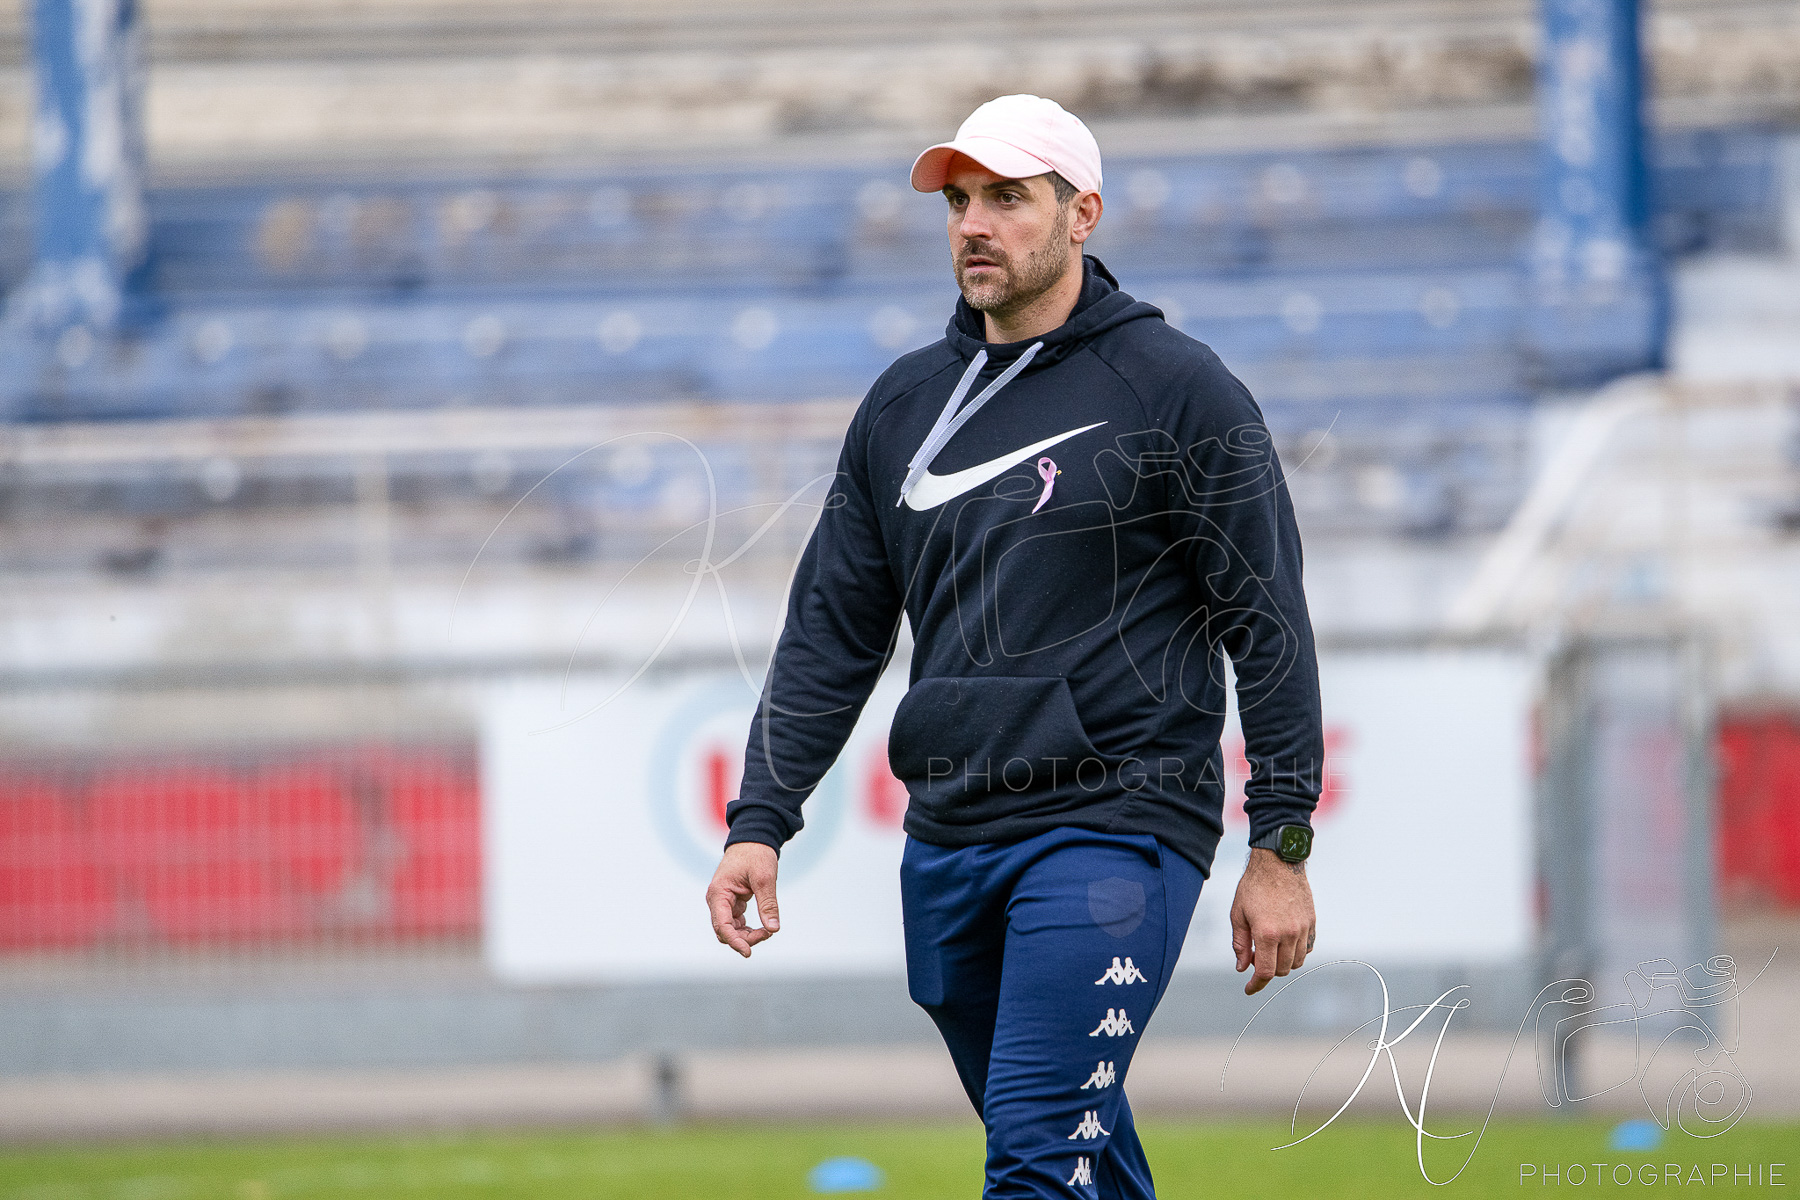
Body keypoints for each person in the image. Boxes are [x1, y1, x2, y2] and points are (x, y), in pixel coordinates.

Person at [706, 93, 1323, 1198]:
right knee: (1079, 1162)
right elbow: (832, 630)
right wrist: (762, 818)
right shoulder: (903, 405)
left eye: (1007, 197)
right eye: (957, 202)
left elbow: (1266, 619)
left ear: (1081, 213)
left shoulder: (1179, 391)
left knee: (1034, 1165)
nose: (973, 224)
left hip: (1113, 828)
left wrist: (1279, 842)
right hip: (948, 840)